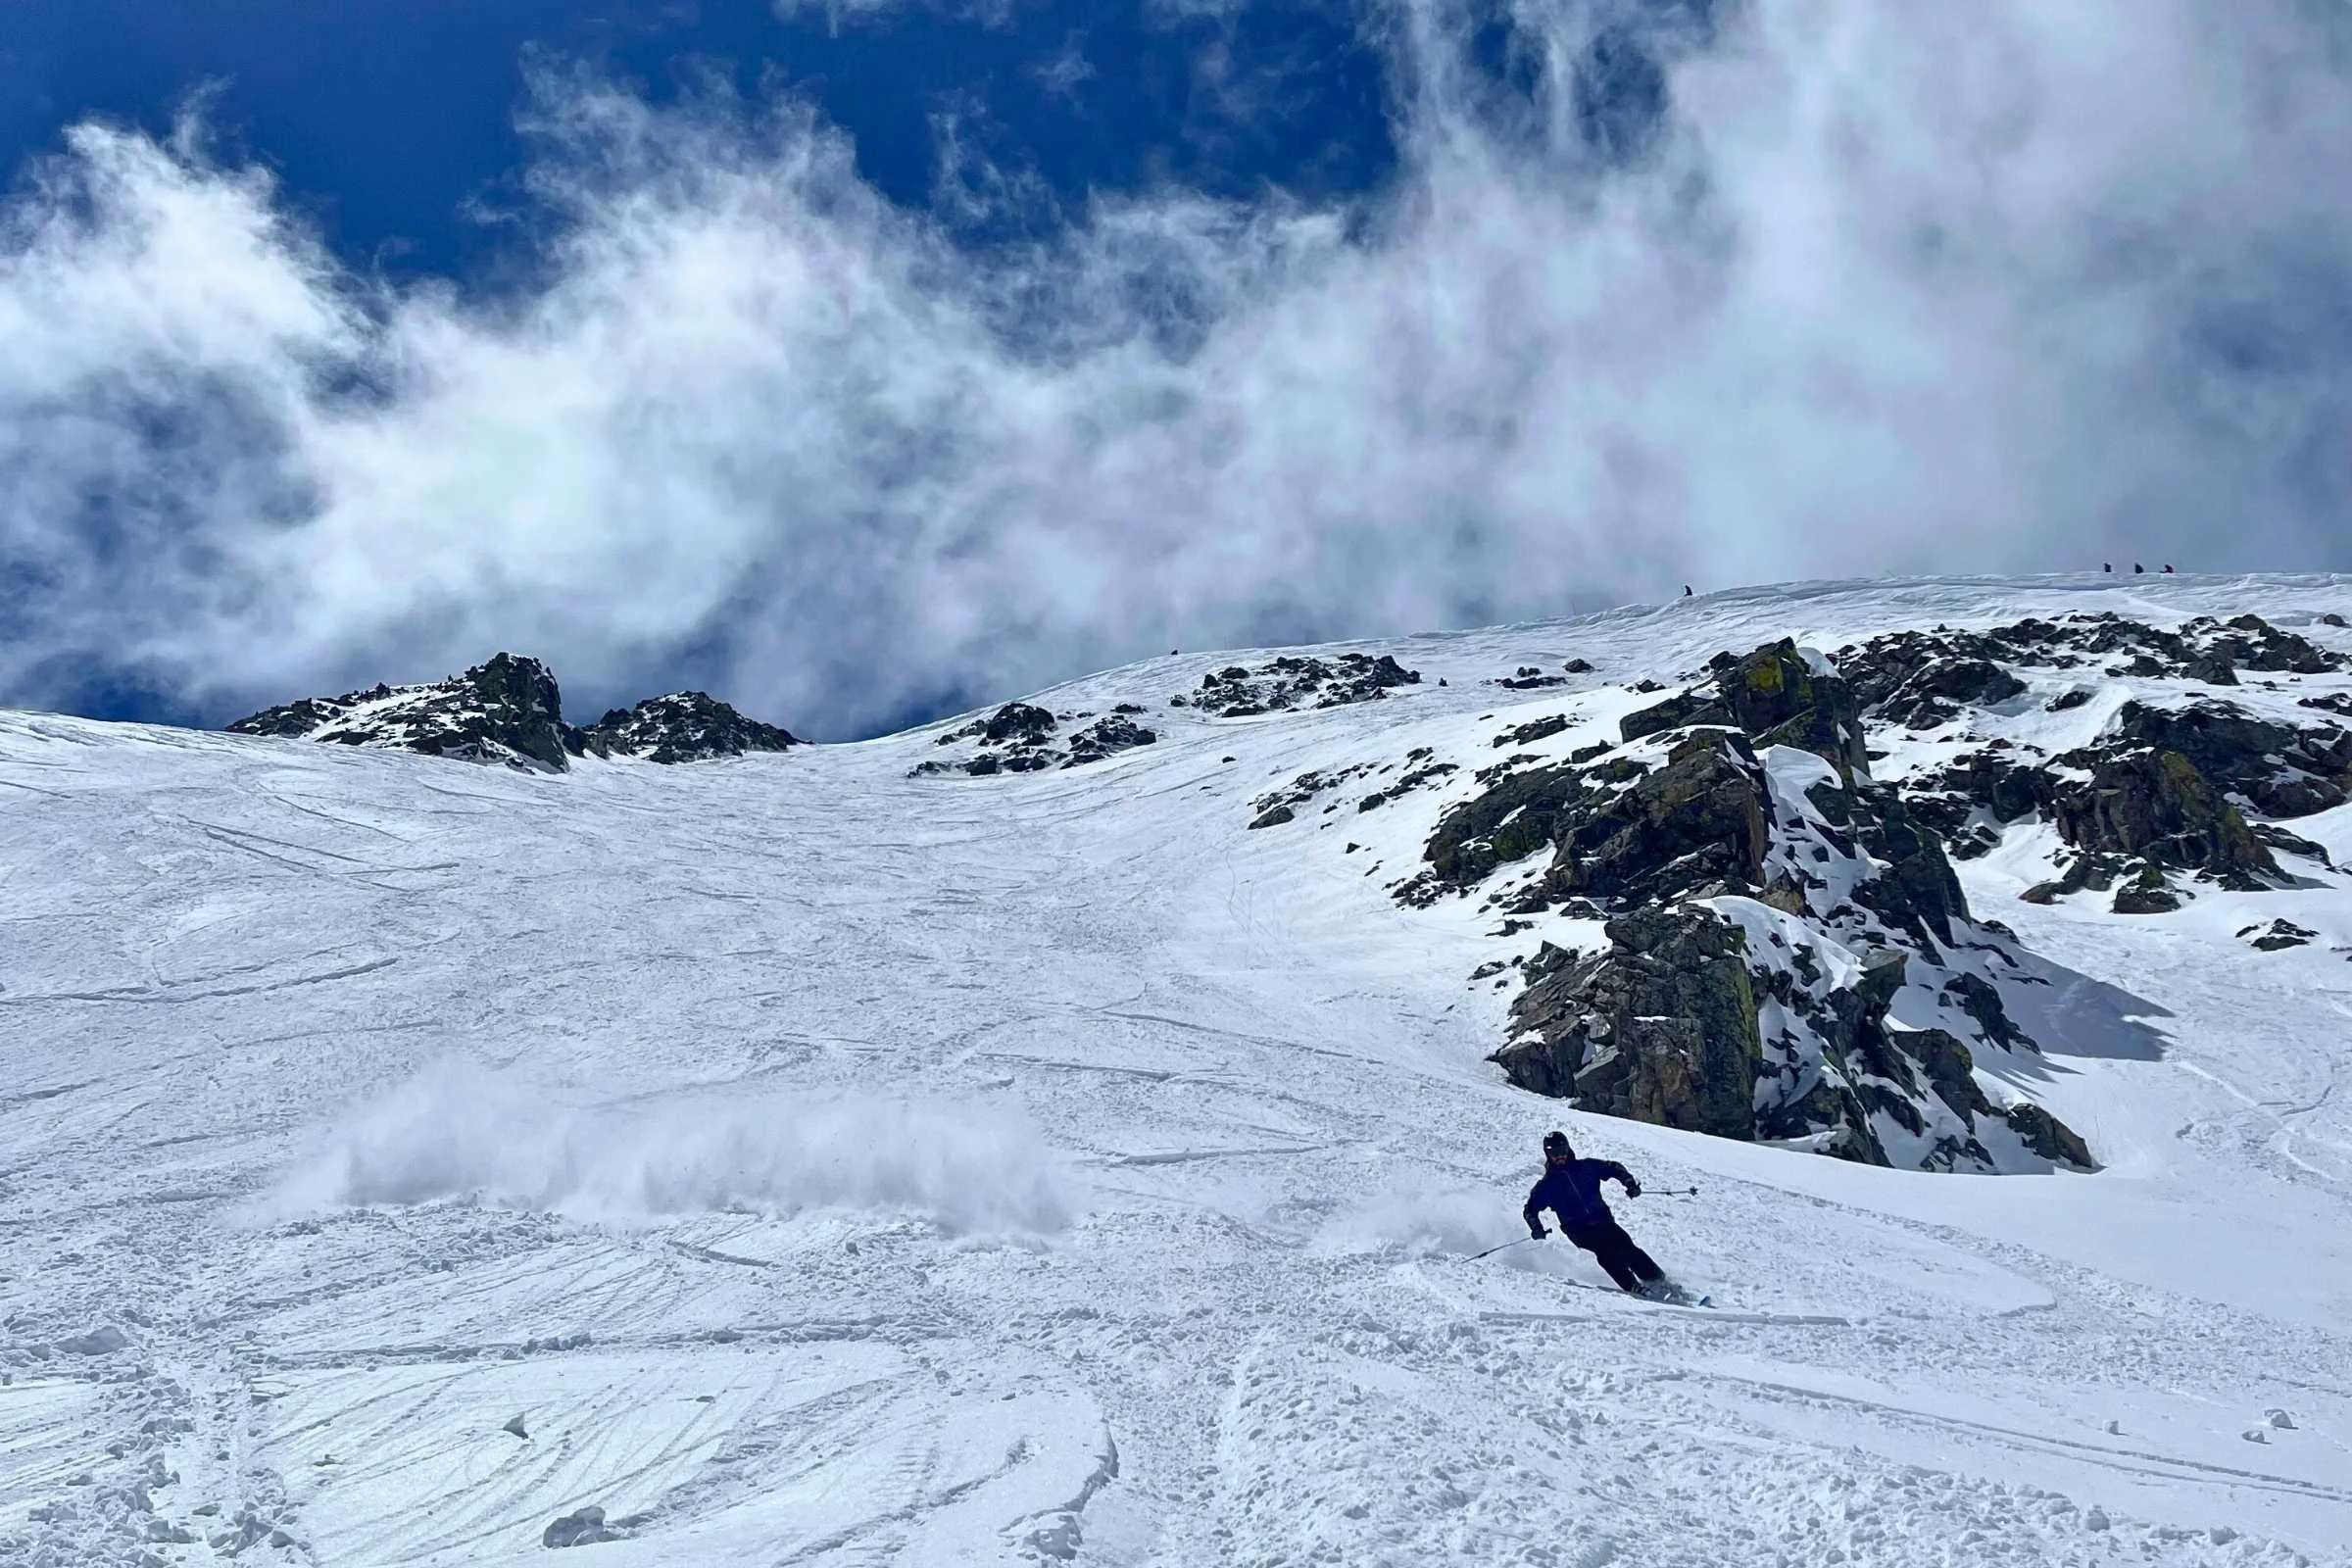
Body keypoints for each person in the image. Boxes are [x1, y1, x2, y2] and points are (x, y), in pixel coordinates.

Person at [1523, 1131, 1667, 1295]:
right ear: (1548, 1154)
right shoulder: (1547, 1185)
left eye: (1562, 1151)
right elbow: (1530, 1209)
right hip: (1578, 1229)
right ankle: (1633, 1286)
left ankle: (1658, 1280)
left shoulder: (1586, 1167)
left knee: (1626, 1247)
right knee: (1605, 1252)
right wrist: (1536, 1227)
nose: (1560, 1156)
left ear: (1568, 1148)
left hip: (1603, 1220)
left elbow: (1613, 1168)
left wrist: (1629, 1182)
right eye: (1555, 1153)